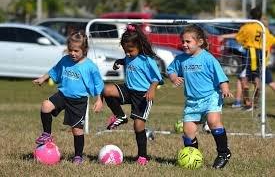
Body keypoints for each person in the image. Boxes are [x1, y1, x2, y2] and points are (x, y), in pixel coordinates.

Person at [33, 31, 104, 164]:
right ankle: (47, 135)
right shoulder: (65, 60)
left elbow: (98, 83)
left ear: (85, 50)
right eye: (70, 50)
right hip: (63, 95)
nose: (72, 53)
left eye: (76, 51)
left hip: (78, 101)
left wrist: (99, 99)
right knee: (45, 105)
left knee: (76, 130)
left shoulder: (90, 67)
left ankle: (78, 156)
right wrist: (43, 78)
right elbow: (55, 69)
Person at [167, 24, 233, 169]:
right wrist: (173, 78)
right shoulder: (181, 59)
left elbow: (220, 76)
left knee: (213, 121)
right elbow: (171, 69)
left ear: (200, 42)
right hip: (192, 101)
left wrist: (225, 88)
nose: (184, 44)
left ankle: (223, 153)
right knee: (188, 131)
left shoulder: (208, 58)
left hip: (211, 97)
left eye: (188, 42)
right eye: (183, 41)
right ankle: (193, 157)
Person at [103, 24, 163, 165]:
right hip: (128, 90)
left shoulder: (147, 60)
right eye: (125, 51)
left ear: (140, 46)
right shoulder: (129, 56)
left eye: (130, 51)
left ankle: (142, 156)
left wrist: (152, 89)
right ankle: (120, 116)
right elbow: (129, 60)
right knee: (106, 90)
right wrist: (120, 61)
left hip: (143, 95)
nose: (128, 54)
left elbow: (157, 78)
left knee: (138, 126)